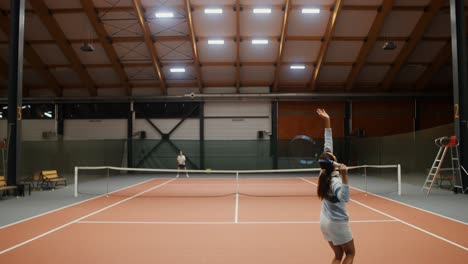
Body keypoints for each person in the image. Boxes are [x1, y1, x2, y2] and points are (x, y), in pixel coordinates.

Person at [316, 108, 355, 264]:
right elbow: (344, 198)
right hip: (337, 222)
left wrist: (327, 120)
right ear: (332, 161)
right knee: (350, 253)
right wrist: (344, 176)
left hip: (324, 221)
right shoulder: (334, 181)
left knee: (338, 256)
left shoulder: (323, 174)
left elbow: (328, 143)